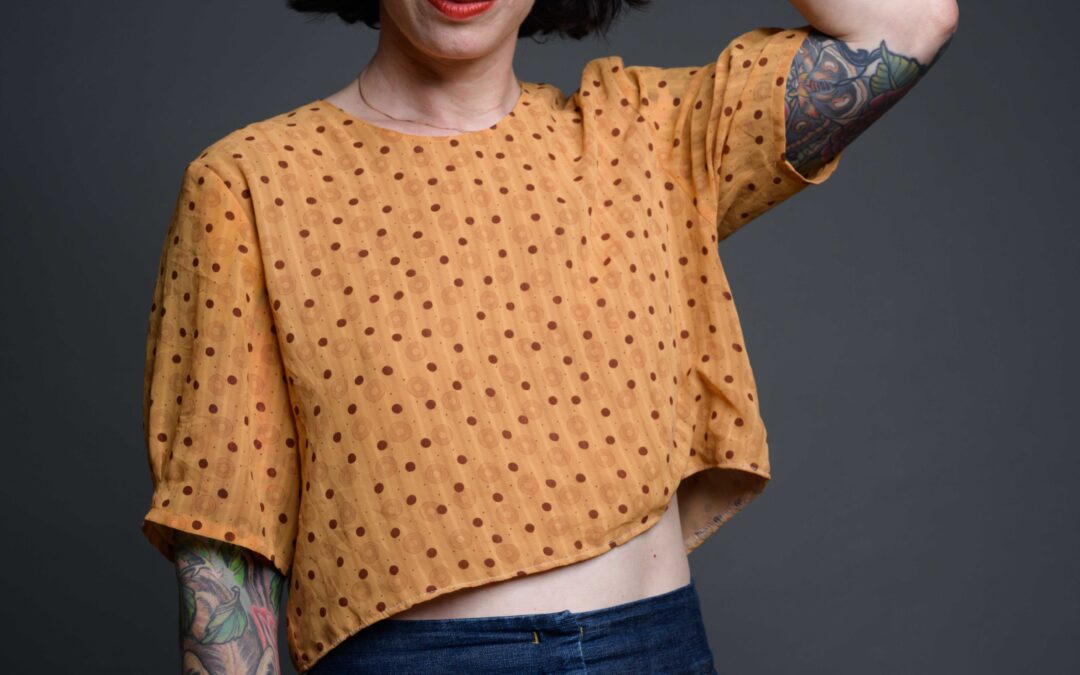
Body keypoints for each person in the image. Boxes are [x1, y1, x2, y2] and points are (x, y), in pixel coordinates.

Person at [138, 0, 958, 672]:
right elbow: (225, 549)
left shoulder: (649, 135)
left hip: (655, 648)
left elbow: (911, 19)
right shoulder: (250, 182)